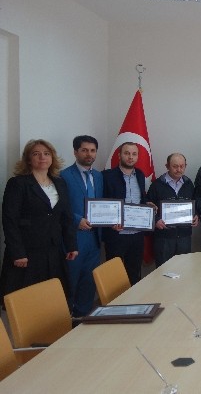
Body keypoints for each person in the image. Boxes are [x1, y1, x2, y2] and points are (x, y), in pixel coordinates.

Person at [1, 139, 78, 298]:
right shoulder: (18, 183)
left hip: (53, 250)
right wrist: (17, 252)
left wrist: (71, 245)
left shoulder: (60, 183)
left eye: (46, 153)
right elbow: (10, 220)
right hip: (27, 252)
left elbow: (66, 217)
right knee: (27, 299)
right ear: (29, 159)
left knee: (51, 296)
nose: (42, 157)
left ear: (52, 158)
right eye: (36, 154)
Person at [60, 135, 103, 317]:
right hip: (74, 237)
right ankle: (66, 320)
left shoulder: (98, 176)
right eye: (84, 150)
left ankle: (83, 317)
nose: (89, 154)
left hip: (95, 237)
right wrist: (76, 219)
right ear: (75, 152)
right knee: (71, 280)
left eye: (92, 150)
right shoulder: (63, 176)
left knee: (89, 281)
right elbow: (59, 206)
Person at [102, 142, 147, 285]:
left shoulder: (140, 175)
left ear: (138, 157)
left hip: (137, 234)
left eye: (134, 154)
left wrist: (148, 206)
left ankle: (134, 298)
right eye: (127, 153)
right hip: (117, 234)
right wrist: (110, 223)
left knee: (134, 273)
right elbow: (103, 204)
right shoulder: (107, 176)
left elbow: (141, 200)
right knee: (114, 276)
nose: (130, 157)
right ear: (119, 155)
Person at [147, 153, 198, 268]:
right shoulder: (156, 185)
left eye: (182, 166)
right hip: (164, 238)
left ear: (185, 166)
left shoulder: (189, 184)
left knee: (184, 269)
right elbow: (148, 207)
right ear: (167, 166)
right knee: (164, 271)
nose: (179, 169)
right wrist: (156, 220)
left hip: (184, 237)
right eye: (175, 166)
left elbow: (195, 203)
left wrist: (196, 215)